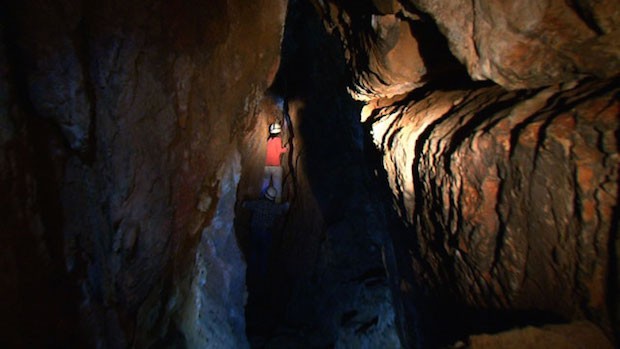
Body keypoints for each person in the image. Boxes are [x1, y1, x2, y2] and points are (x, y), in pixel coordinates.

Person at [242, 186, 290, 279]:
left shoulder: (258, 203)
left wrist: (245, 198)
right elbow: (284, 208)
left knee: (254, 251)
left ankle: (251, 273)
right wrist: (288, 203)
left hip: (255, 230)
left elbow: (245, 204)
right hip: (266, 232)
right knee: (264, 254)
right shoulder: (274, 207)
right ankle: (261, 276)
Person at [262, 121, 288, 203]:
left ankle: (262, 198)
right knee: (277, 185)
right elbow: (279, 151)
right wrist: (286, 148)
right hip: (276, 166)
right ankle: (277, 201)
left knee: (265, 184)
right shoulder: (278, 140)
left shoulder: (268, 140)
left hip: (267, 166)